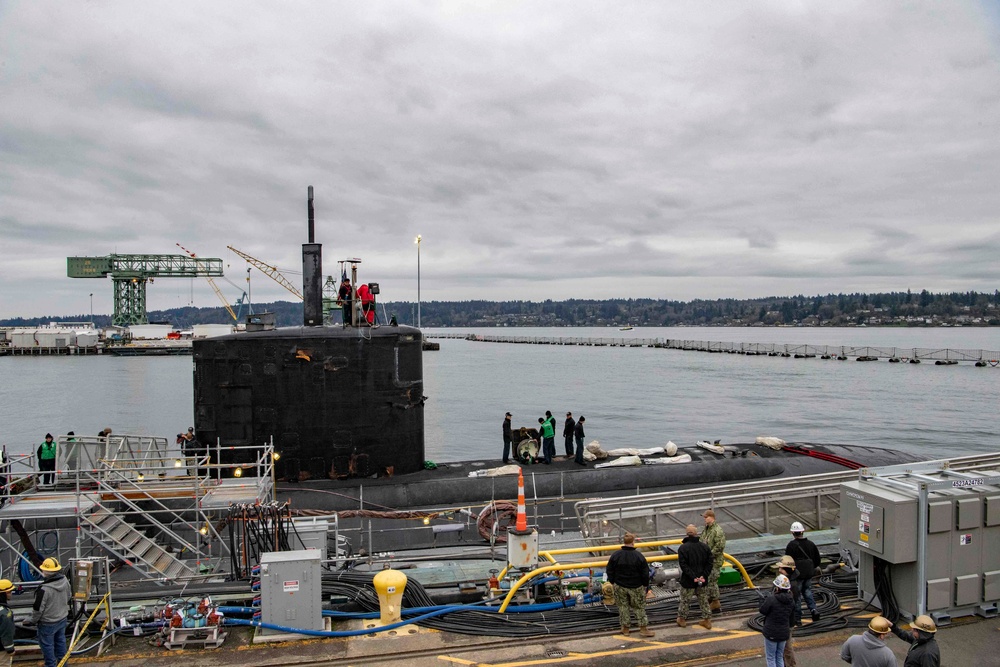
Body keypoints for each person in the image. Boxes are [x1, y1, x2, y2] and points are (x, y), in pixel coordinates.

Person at [605, 532, 654, 637]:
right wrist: (645, 585)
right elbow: (645, 573)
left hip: (620, 585)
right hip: (636, 586)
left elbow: (609, 569)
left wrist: (612, 581)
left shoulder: (616, 555)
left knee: (623, 607)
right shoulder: (639, 556)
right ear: (633, 542)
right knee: (639, 607)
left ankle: (625, 628)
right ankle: (643, 629)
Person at [30, 558, 71, 667]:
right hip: (62, 619)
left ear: (45, 571)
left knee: (48, 647)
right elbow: (69, 596)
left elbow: (38, 609)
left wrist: (32, 621)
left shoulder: (44, 589)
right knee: (61, 643)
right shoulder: (65, 581)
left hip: (47, 623)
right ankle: (63, 664)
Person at [677, 524, 713, 629]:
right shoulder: (705, 547)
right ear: (697, 533)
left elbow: (683, 565)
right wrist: (703, 576)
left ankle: (682, 619)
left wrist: (693, 577)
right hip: (702, 580)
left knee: (685, 600)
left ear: (686, 534)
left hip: (688, 580)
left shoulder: (683, 548)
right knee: (703, 600)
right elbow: (710, 563)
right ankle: (707, 620)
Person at [785, 522, 822, 622]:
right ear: (802, 532)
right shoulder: (811, 544)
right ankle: (814, 610)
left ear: (792, 533)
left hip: (797, 575)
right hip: (808, 573)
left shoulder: (791, 545)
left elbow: (787, 561)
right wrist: (810, 568)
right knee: (808, 591)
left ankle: (797, 618)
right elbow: (817, 559)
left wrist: (790, 574)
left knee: (796, 595)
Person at [760, 573, 794, 667]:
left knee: (771, 657)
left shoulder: (772, 599)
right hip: (784, 632)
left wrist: (762, 601)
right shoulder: (791, 600)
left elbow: (763, 610)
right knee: (779, 656)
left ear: (777, 587)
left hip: (771, 632)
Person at [776, 555, 800, 666]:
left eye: (781, 568)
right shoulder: (788, 582)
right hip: (785, 620)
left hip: (786, 621)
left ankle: (791, 665)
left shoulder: (792, 586)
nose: (779, 570)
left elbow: (789, 605)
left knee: (786, 647)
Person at [702, 509, 727, 614]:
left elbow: (720, 546)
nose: (704, 519)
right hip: (707, 560)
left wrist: (709, 555)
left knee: (712, 581)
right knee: (708, 580)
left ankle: (715, 601)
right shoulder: (707, 529)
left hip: (714, 561)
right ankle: (711, 599)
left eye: (706, 517)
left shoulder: (717, 530)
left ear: (711, 517)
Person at [0, 579, 16, 663]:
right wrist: (10, 649)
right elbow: (6, 633)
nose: (11, 594)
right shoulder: (5, 613)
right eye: (9, 592)